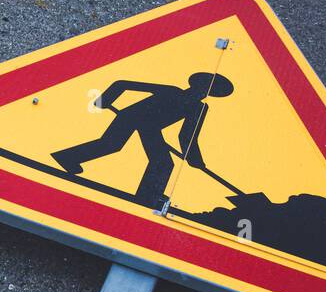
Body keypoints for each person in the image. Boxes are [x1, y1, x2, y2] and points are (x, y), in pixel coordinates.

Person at [52, 72, 234, 204]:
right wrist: (104, 100)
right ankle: (66, 157)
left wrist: (195, 160)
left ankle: (148, 196)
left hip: (151, 127)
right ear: (194, 85)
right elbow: (123, 83)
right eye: (203, 87)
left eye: (209, 91)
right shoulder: (172, 91)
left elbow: (187, 135)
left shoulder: (199, 108)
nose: (203, 92)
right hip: (131, 116)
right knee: (110, 144)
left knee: (163, 162)